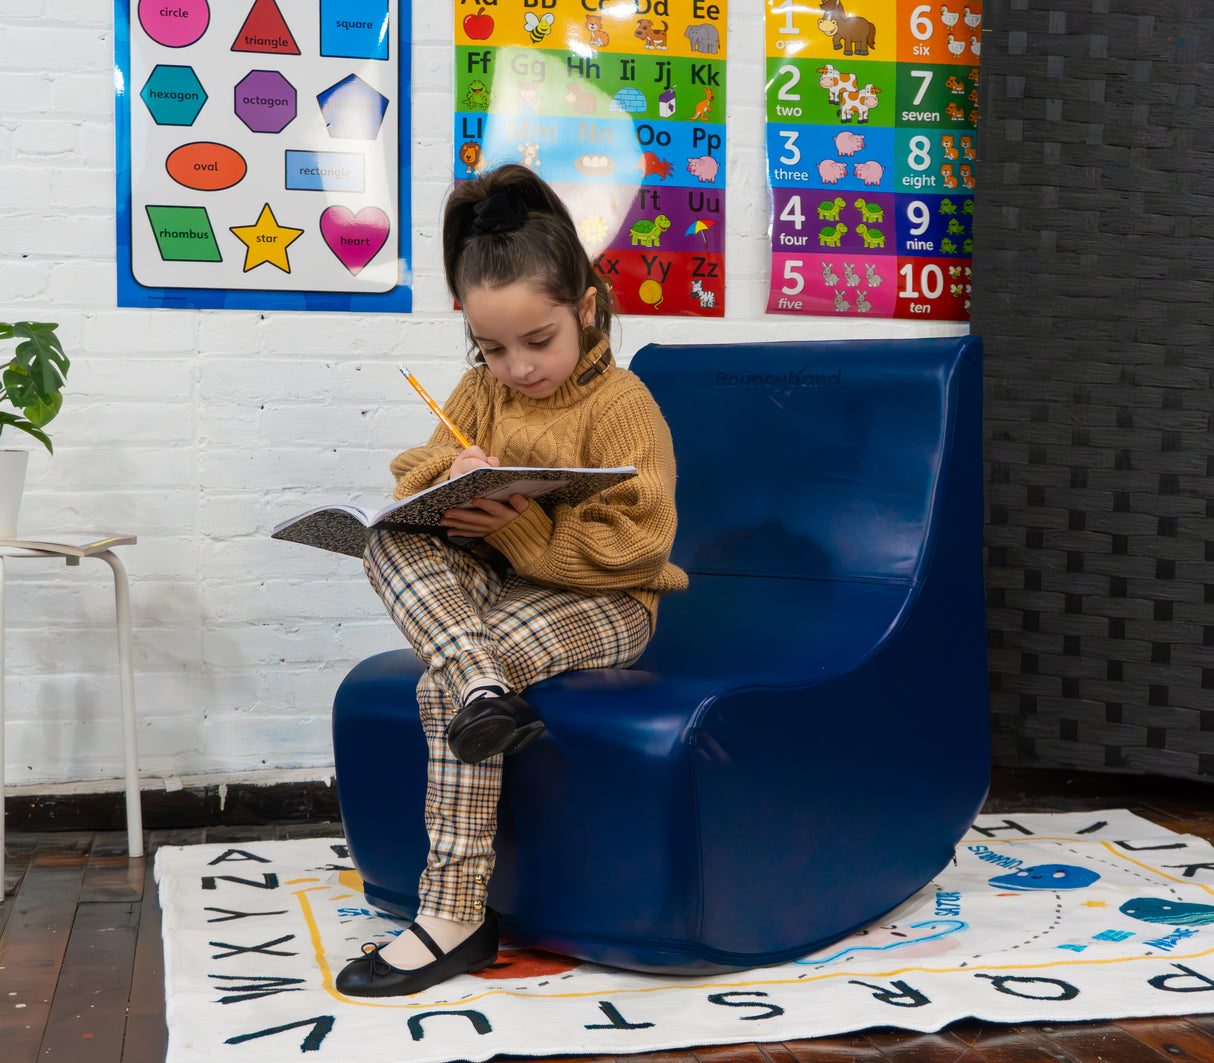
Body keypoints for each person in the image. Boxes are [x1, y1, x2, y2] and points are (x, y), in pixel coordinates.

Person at [335, 164, 688, 997]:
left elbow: (639, 541)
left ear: (587, 309)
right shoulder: (484, 389)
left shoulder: (623, 404)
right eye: (493, 348)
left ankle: (455, 917)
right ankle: (483, 683)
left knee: (440, 693)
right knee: (386, 546)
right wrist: (450, 469)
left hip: (605, 604)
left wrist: (524, 530)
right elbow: (413, 468)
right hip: (504, 599)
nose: (518, 367)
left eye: (539, 341)